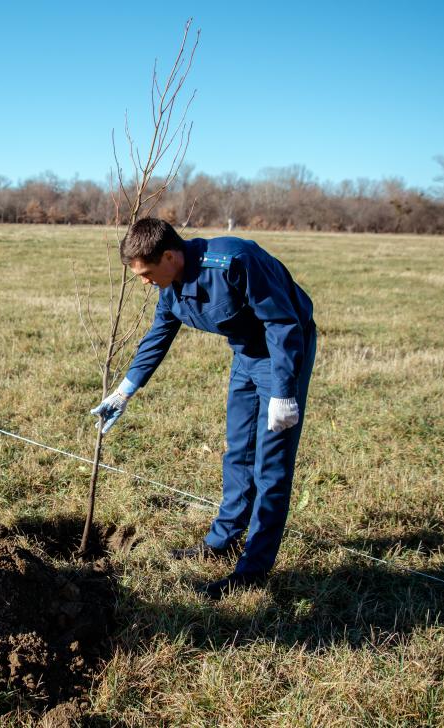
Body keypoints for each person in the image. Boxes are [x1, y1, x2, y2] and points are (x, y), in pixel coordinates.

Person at [91, 218, 315, 600]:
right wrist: (125, 391)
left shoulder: (233, 262)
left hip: (282, 354)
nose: (144, 282)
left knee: (271, 466)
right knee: (239, 451)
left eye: (146, 273)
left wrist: (283, 392)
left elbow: (282, 322)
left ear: (170, 255)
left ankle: (252, 569)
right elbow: (158, 335)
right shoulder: (171, 286)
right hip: (245, 353)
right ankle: (222, 541)